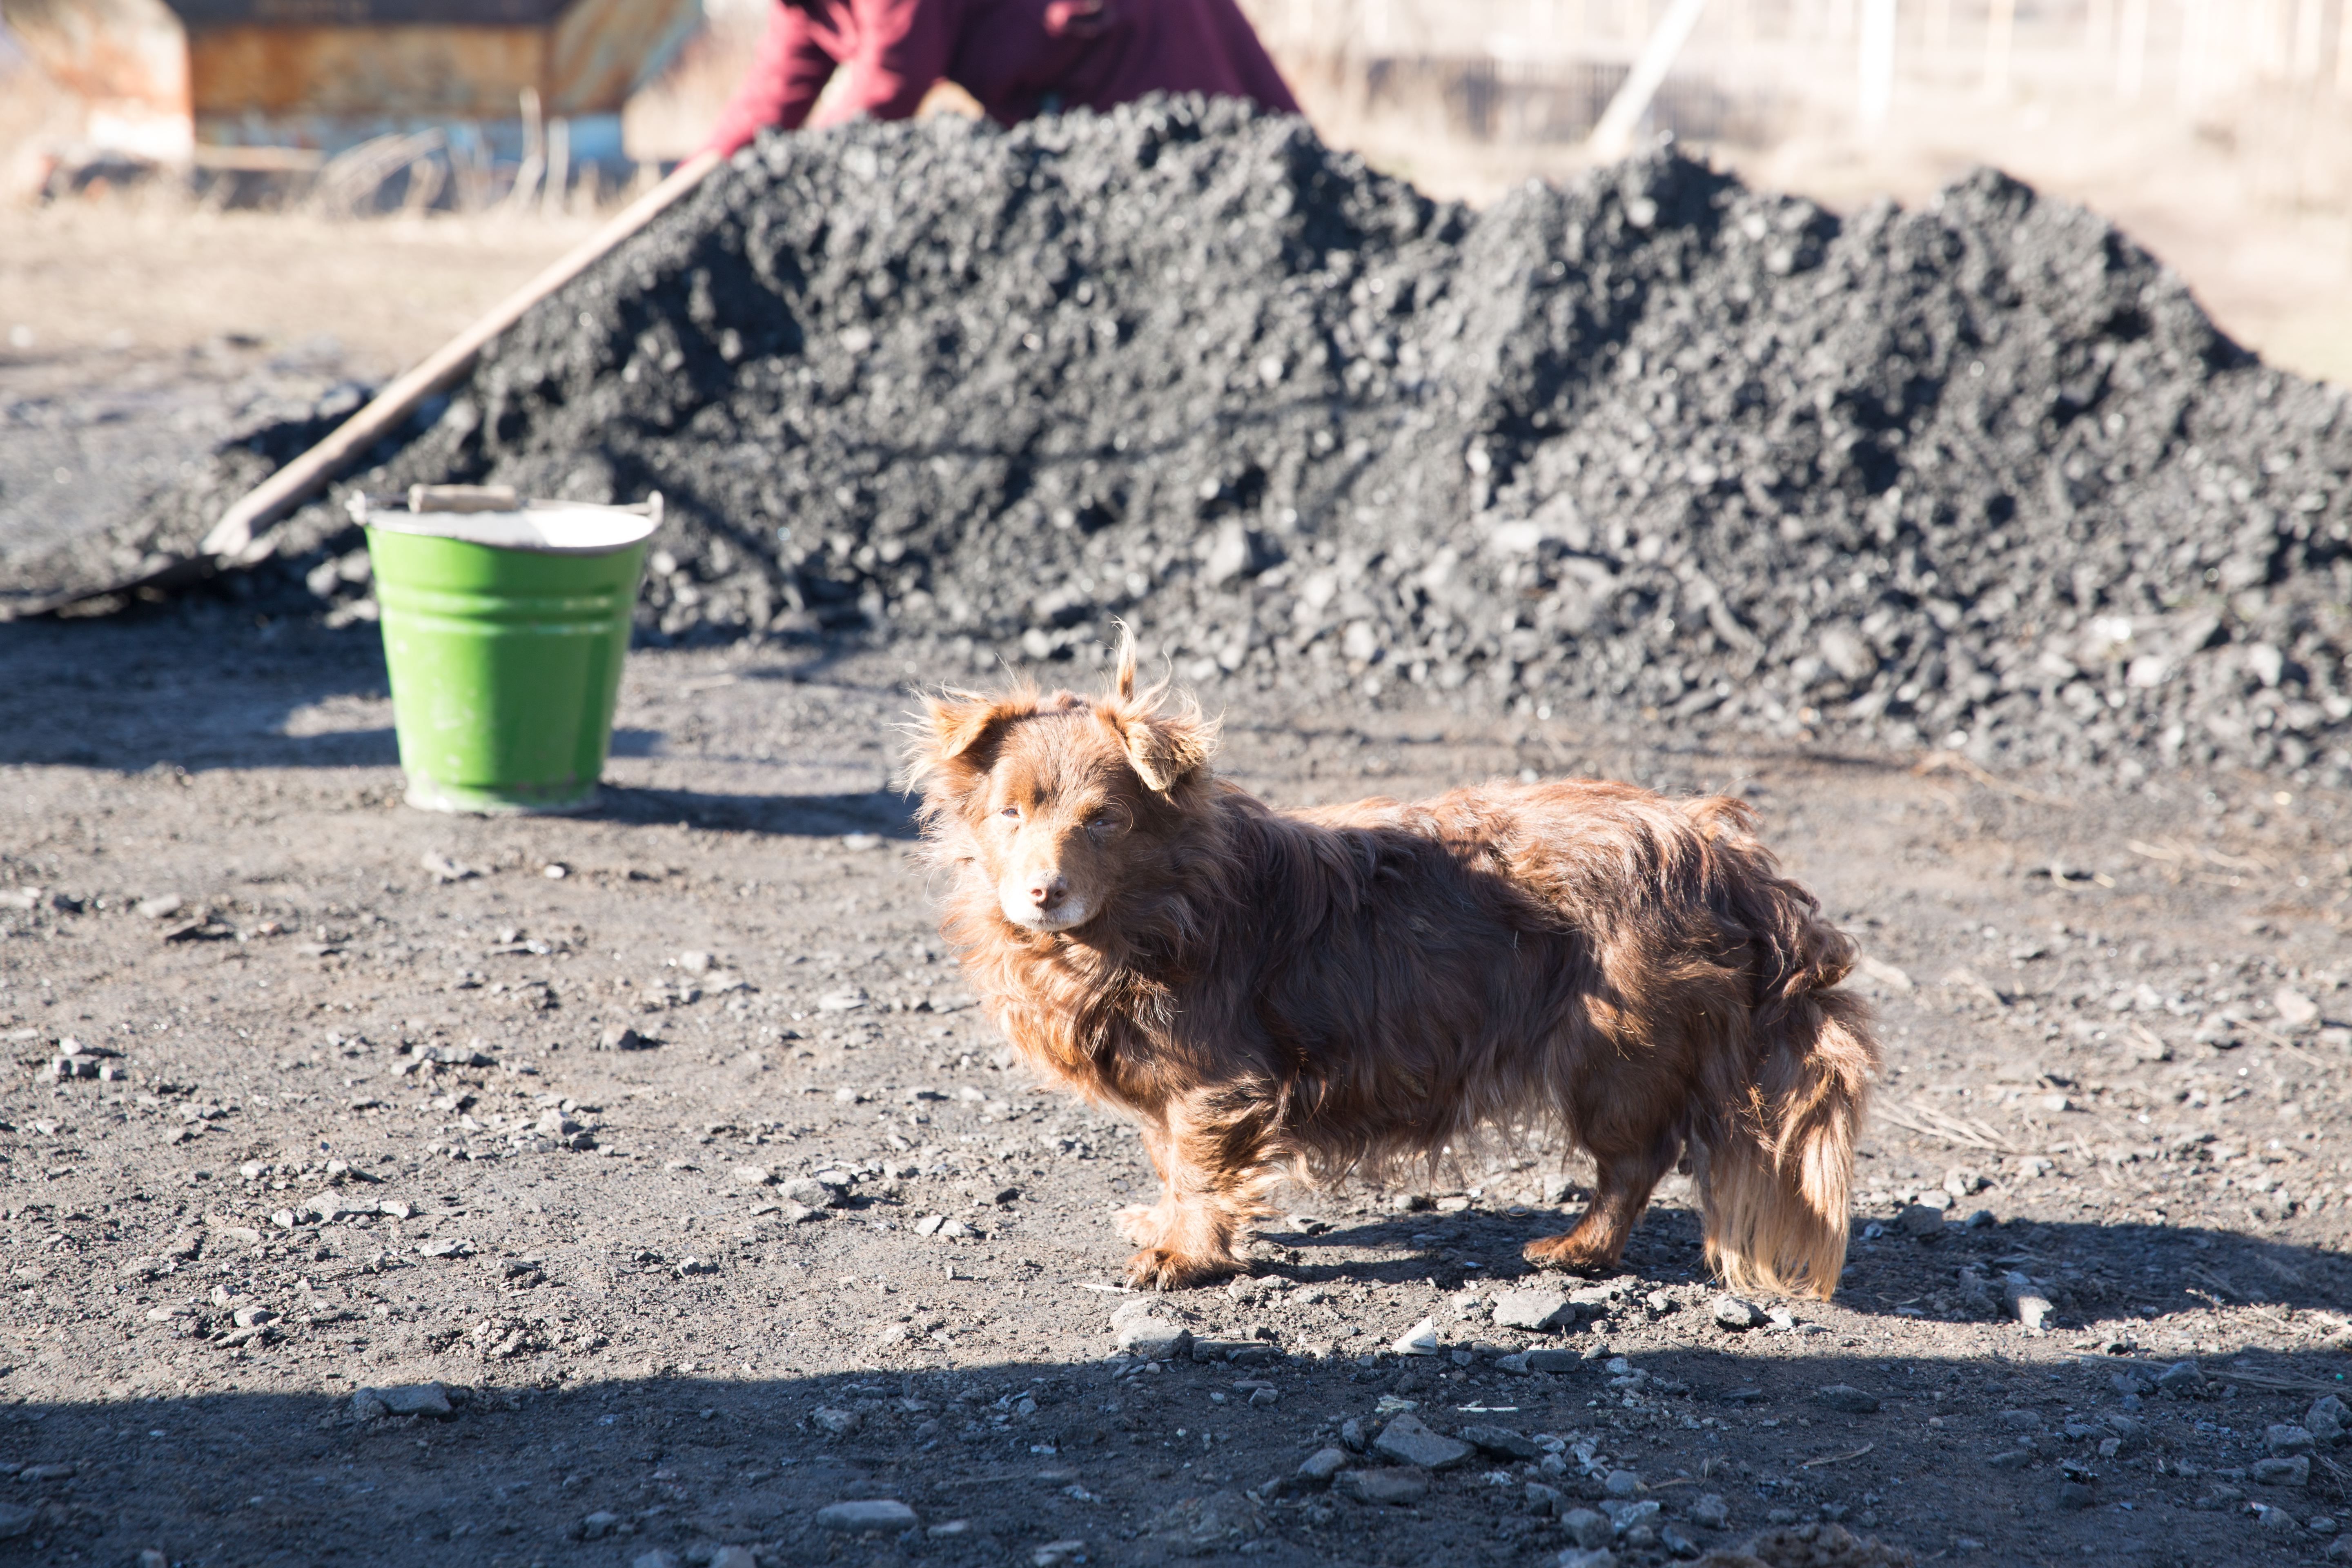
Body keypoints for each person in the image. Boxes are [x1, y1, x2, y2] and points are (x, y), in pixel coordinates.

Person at [702, 0, 1299, 154]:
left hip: (1127, 50)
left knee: (1244, 165)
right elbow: (772, 95)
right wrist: (692, 183)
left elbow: (894, 78)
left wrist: (796, 170)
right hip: (1065, 95)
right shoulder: (808, 7)